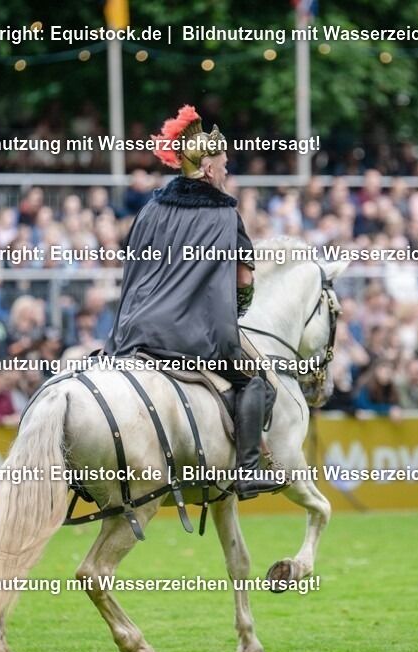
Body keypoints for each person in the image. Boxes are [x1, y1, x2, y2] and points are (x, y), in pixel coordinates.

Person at [103, 105, 279, 500]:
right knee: (257, 383)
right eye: (224, 163)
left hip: (135, 331)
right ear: (207, 168)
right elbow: (243, 280)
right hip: (190, 338)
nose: (227, 169)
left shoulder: (150, 208)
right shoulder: (225, 216)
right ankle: (248, 471)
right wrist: (237, 309)